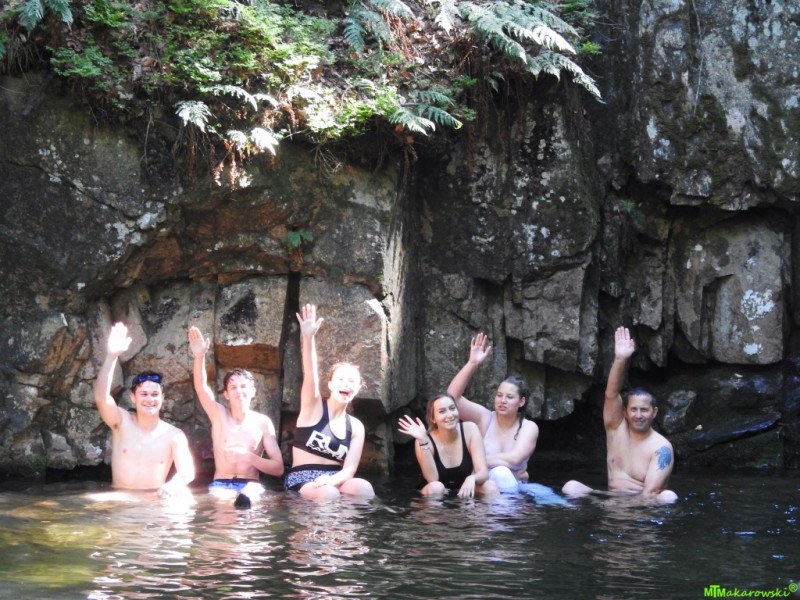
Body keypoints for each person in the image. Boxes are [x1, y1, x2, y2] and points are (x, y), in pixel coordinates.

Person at [562, 326, 678, 503]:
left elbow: (650, 493)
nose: (638, 415)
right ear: (625, 412)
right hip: (611, 498)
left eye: (644, 410)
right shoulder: (616, 429)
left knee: (668, 497)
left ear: (654, 412)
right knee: (571, 487)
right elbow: (611, 394)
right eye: (634, 409)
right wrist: (620, 359)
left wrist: (625, 512)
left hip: (642, 504)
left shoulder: (661, 448)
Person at [93, 322, 195, 496]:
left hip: (153, 501)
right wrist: (111, 357)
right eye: (144, 394)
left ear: (162, 398)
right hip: (120, 501)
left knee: (185, 498)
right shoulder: (121, 422)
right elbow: (101, 398)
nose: (149, 399)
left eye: (154, 394)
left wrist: (172, 486)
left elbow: (187, 472)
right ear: (133, 397)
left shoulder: (174, 435)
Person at [286, 303, 375, 499]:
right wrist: (308, 337)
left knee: (363, 487)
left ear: (358, 389)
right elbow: (311, 374)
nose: (346, 384)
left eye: (352, 381)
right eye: (341, 379)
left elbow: (349, 470)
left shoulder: (356, 427)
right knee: (329, 493)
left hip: (335, 479)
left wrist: (331, 480)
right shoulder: (313, 407)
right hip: (303, 478)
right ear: (330, 384)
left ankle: (351, 522)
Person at [188, 326, 285, 497]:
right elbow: (201, 389)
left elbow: (278, 469)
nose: (239, 391)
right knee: (223, 501)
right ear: (226, 394)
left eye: (243, 386)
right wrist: (199, 356)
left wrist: (248, 457)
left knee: (249, 499)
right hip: (221, 483)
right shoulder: (218, 415)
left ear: (253, 391)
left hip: (251, 484)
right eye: (233, 387)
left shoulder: (263, 423)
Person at [446, 333, 539, 492]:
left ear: (521, 402)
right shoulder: (485, 418)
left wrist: (477, 462)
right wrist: (472, 363)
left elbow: (514, 459)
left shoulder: (528, 427)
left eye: (509, 397)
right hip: (484, 488)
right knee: (501, 472)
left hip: (515, 490)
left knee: (564, 495)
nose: (502, 401)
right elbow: (451, 399)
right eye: (499, 395)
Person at [398, 392, 498, 498]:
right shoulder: (424, 440)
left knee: (490, 486)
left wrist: (472, 478)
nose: (450, 415)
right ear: (433, 418)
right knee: (436, 487)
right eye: (442, 411)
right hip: (435, 495)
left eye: (452, 408)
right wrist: (423, 441)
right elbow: (432, 479)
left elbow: (483, 473)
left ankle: (495, 509)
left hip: (464, 490)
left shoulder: (470, 430)